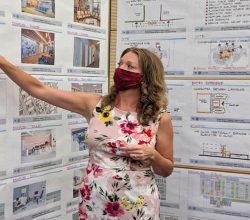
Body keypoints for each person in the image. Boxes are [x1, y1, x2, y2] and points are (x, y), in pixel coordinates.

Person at [0, 47, 173, 219]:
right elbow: (38, 89)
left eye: (129, 66)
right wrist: (2, 62)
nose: (121, 69)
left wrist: (153, 155)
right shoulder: (96, 105)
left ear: (147, 76)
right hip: (94, 201)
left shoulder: (159, 118)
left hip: (137, 205)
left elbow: (166, 169)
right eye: (120, 64)